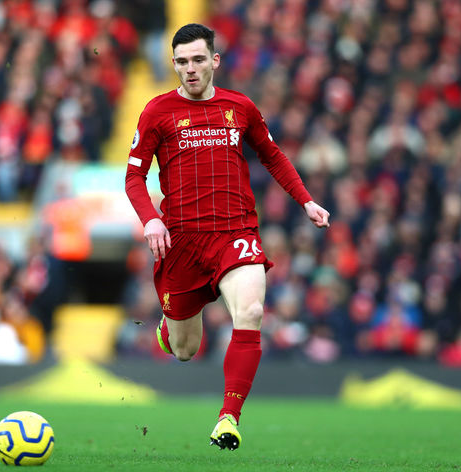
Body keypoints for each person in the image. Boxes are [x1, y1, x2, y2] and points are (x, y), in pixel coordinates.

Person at [125, 23, 330, 451]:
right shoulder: (157, 112)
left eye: (198, 59)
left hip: (236, 231)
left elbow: (272, 156)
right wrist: (151, 220)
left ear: (215, 61)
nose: (190, 68)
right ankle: (170, 328)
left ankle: (228, 418)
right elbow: (134, 178)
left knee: (251, 311)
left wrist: (306, 201)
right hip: (181, 242)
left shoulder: (240, 107)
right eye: (182, 61)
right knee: (184, 349)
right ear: (174, 64)